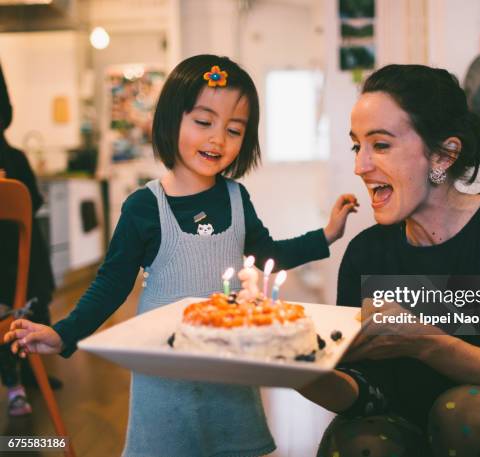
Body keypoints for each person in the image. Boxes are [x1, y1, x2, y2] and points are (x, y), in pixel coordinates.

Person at [4, 54, 357, 456]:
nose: (217, 139)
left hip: (230, 367)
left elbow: (267, 254)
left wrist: (327, 235)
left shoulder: (237, 198)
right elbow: (112, 283)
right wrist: (62, 332)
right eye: (203, 122)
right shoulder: (144, 206)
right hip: (164, 371)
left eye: (234, 129)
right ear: (172, 120)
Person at [299, 65, 480, 457]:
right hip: (403, 436)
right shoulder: (366, 253)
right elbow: (369, 398)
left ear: (444, 154)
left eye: (380, 145)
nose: (360, 166)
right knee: (359, 442)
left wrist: (425, 342)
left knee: (472, 414)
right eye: (356, 146)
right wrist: (305, 374)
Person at [0, 63, 58, 416]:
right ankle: (25, 374)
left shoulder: (14, 159)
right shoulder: (15, 157)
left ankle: (20, 379)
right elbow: (34, 201)